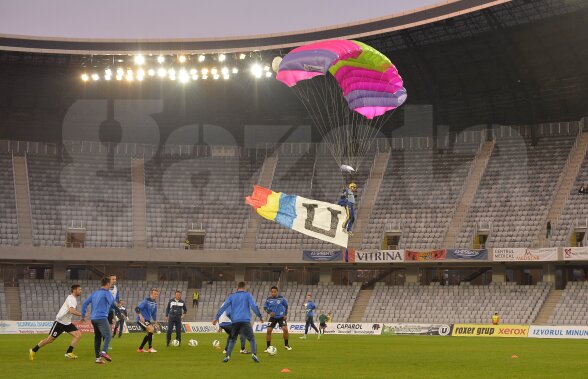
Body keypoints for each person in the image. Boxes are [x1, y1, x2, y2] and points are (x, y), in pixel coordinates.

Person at [213, 281, 263, 363]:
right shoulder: (248, 295)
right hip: (245, 320)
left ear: (237, 287)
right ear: (245, 287)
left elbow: (224, 307)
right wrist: (260, 316)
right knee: (251, 339)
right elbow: (254, 306)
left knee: (233, 339)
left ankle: (227, 356)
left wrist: (216, 318)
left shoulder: (232, 296)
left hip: (235, 321)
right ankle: (254, 354)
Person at [29, 284, 83, 361]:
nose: (80, 291)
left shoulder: (73, 299)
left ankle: (69, 352)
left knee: (78, 334)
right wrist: (82, 314)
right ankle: (33, 350)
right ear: (74, 290)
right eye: (79, 289)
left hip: (67, 322)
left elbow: (70, 312)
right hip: (60, 322)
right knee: (49, 340)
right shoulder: (71, 298)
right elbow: (71, 311)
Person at [81, 277, 115, 364]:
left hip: (93, 319)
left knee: (97, 337)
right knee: (108, 335)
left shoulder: (95, 293)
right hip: (101, 318)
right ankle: (104, 352)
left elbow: (85, 303)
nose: (110, 285)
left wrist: (83, 315)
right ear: (107, 284)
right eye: (110, 284)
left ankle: (98, 359)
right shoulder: (106, 293)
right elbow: (111, 302)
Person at [263, 286, 292, 352]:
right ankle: (268, 347)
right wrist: (269, 312)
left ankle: (286, 345)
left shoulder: (281, 298)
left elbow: (286, 306)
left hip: (281, 317)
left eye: (274, 292)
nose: (273, 293)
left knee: (285, 330)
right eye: (272, 292)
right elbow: (265, 307)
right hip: (273, 318)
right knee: (268, 331)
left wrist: (285, 314)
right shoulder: (268, 299)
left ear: (277, 292)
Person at [136, 288, 159, 353]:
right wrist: (140, 316)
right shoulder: (146, 301)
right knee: (151, 330)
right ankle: (150, 348)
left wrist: (156, 322)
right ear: (151, 294)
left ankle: (140, 349)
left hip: (147, 320)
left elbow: (154, 314)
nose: (156, 295)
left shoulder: (155, 303)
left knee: (149, 333)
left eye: (157, 294)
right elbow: (137, 308)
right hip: (141, 320)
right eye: (155, 294)